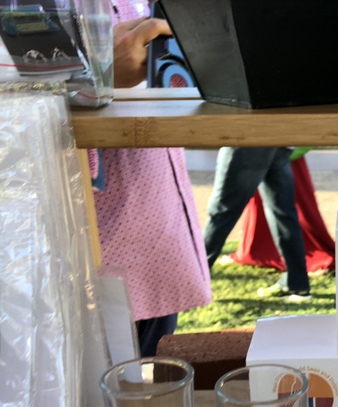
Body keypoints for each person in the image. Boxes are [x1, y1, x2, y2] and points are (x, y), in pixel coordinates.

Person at [91, 0, 211, 357]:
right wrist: (96, 74)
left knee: (149, 380)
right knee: (102, 386)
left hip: (159, 239)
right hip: (97, 260)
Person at [203, 147, 311, 300]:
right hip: (279, 144)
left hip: (247, 143)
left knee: (221, 214)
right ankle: (297, 285)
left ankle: (189, 283)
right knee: (283, 213)